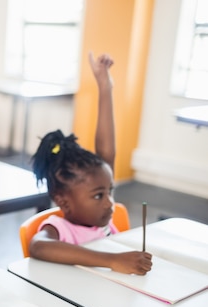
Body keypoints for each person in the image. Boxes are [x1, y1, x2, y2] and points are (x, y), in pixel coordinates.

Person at [29, 52, 152, 275]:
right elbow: (38, 247)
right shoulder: (59, 230)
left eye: (109, 192)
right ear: (63, 202)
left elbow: (107, 151)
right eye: (98, 196)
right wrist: (112, 260)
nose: (109, 203)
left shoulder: (101, 220)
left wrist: (105, 87)